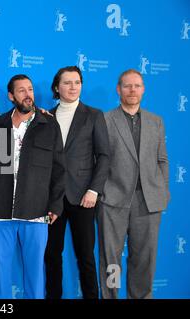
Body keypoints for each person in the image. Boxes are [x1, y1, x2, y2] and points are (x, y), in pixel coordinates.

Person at [0, 74, 65, 299]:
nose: (27, 94)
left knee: (35, 274)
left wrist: (55, 205)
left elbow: (59, 168)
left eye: (30, 89)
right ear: (11, 96)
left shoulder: (49, 123)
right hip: (1, 212)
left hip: (37, 212)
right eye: (21, 90)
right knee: (0, 271)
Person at [98, 69, 170, 299]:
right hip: (113, 200)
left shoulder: (156, 122)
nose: (132, 90)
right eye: (127, 86)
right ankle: (111, 296)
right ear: (118, 89)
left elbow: (162, 160)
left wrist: (163, 191)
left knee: (144, 258)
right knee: (112, 259)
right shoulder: (105, 120)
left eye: (137, 86)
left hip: (149, 202)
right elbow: (98, 159)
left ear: (143, 89)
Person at [44, 66, 110, 299]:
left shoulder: (94, 115)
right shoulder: (46, 117)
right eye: (67, 82)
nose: (73, 87)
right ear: (56, 87)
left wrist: (94, 190)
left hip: (84, 197)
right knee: (51, 255)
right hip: (53, 199)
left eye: (77, 82)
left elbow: (104, 155)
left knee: (86, 256)